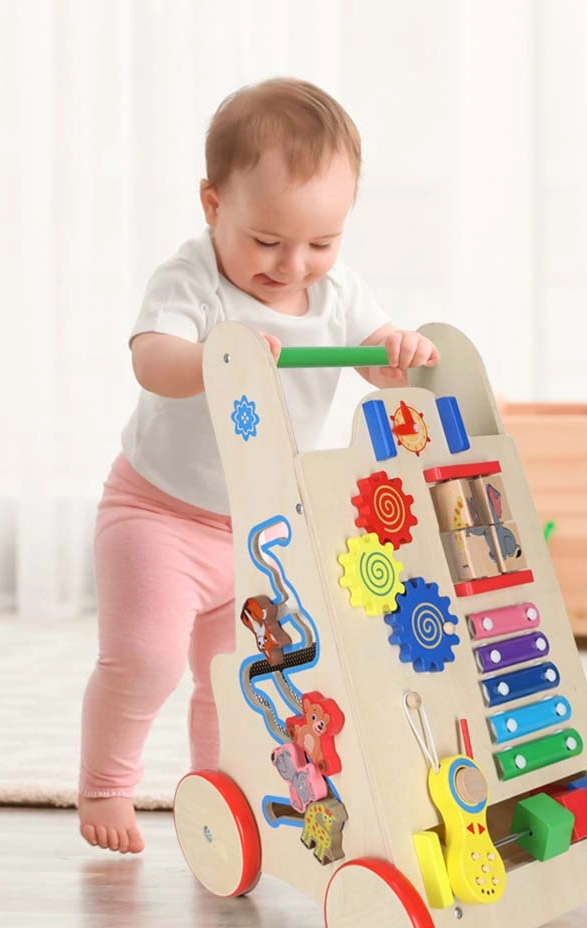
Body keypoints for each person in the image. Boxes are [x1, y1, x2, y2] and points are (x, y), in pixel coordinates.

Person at [78, 77, 439, 853]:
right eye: (268, 242)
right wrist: (219, 358)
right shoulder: (194, 279)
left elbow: (377, 355)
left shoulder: (337, 294)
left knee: (243, 681)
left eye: (321, 243)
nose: (293, 266)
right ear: (213, 207)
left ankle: (226, 804)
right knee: (145, 659)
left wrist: (398, 352)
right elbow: (152, 359)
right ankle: (106, 784)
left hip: (261, 532)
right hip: (159, 515)